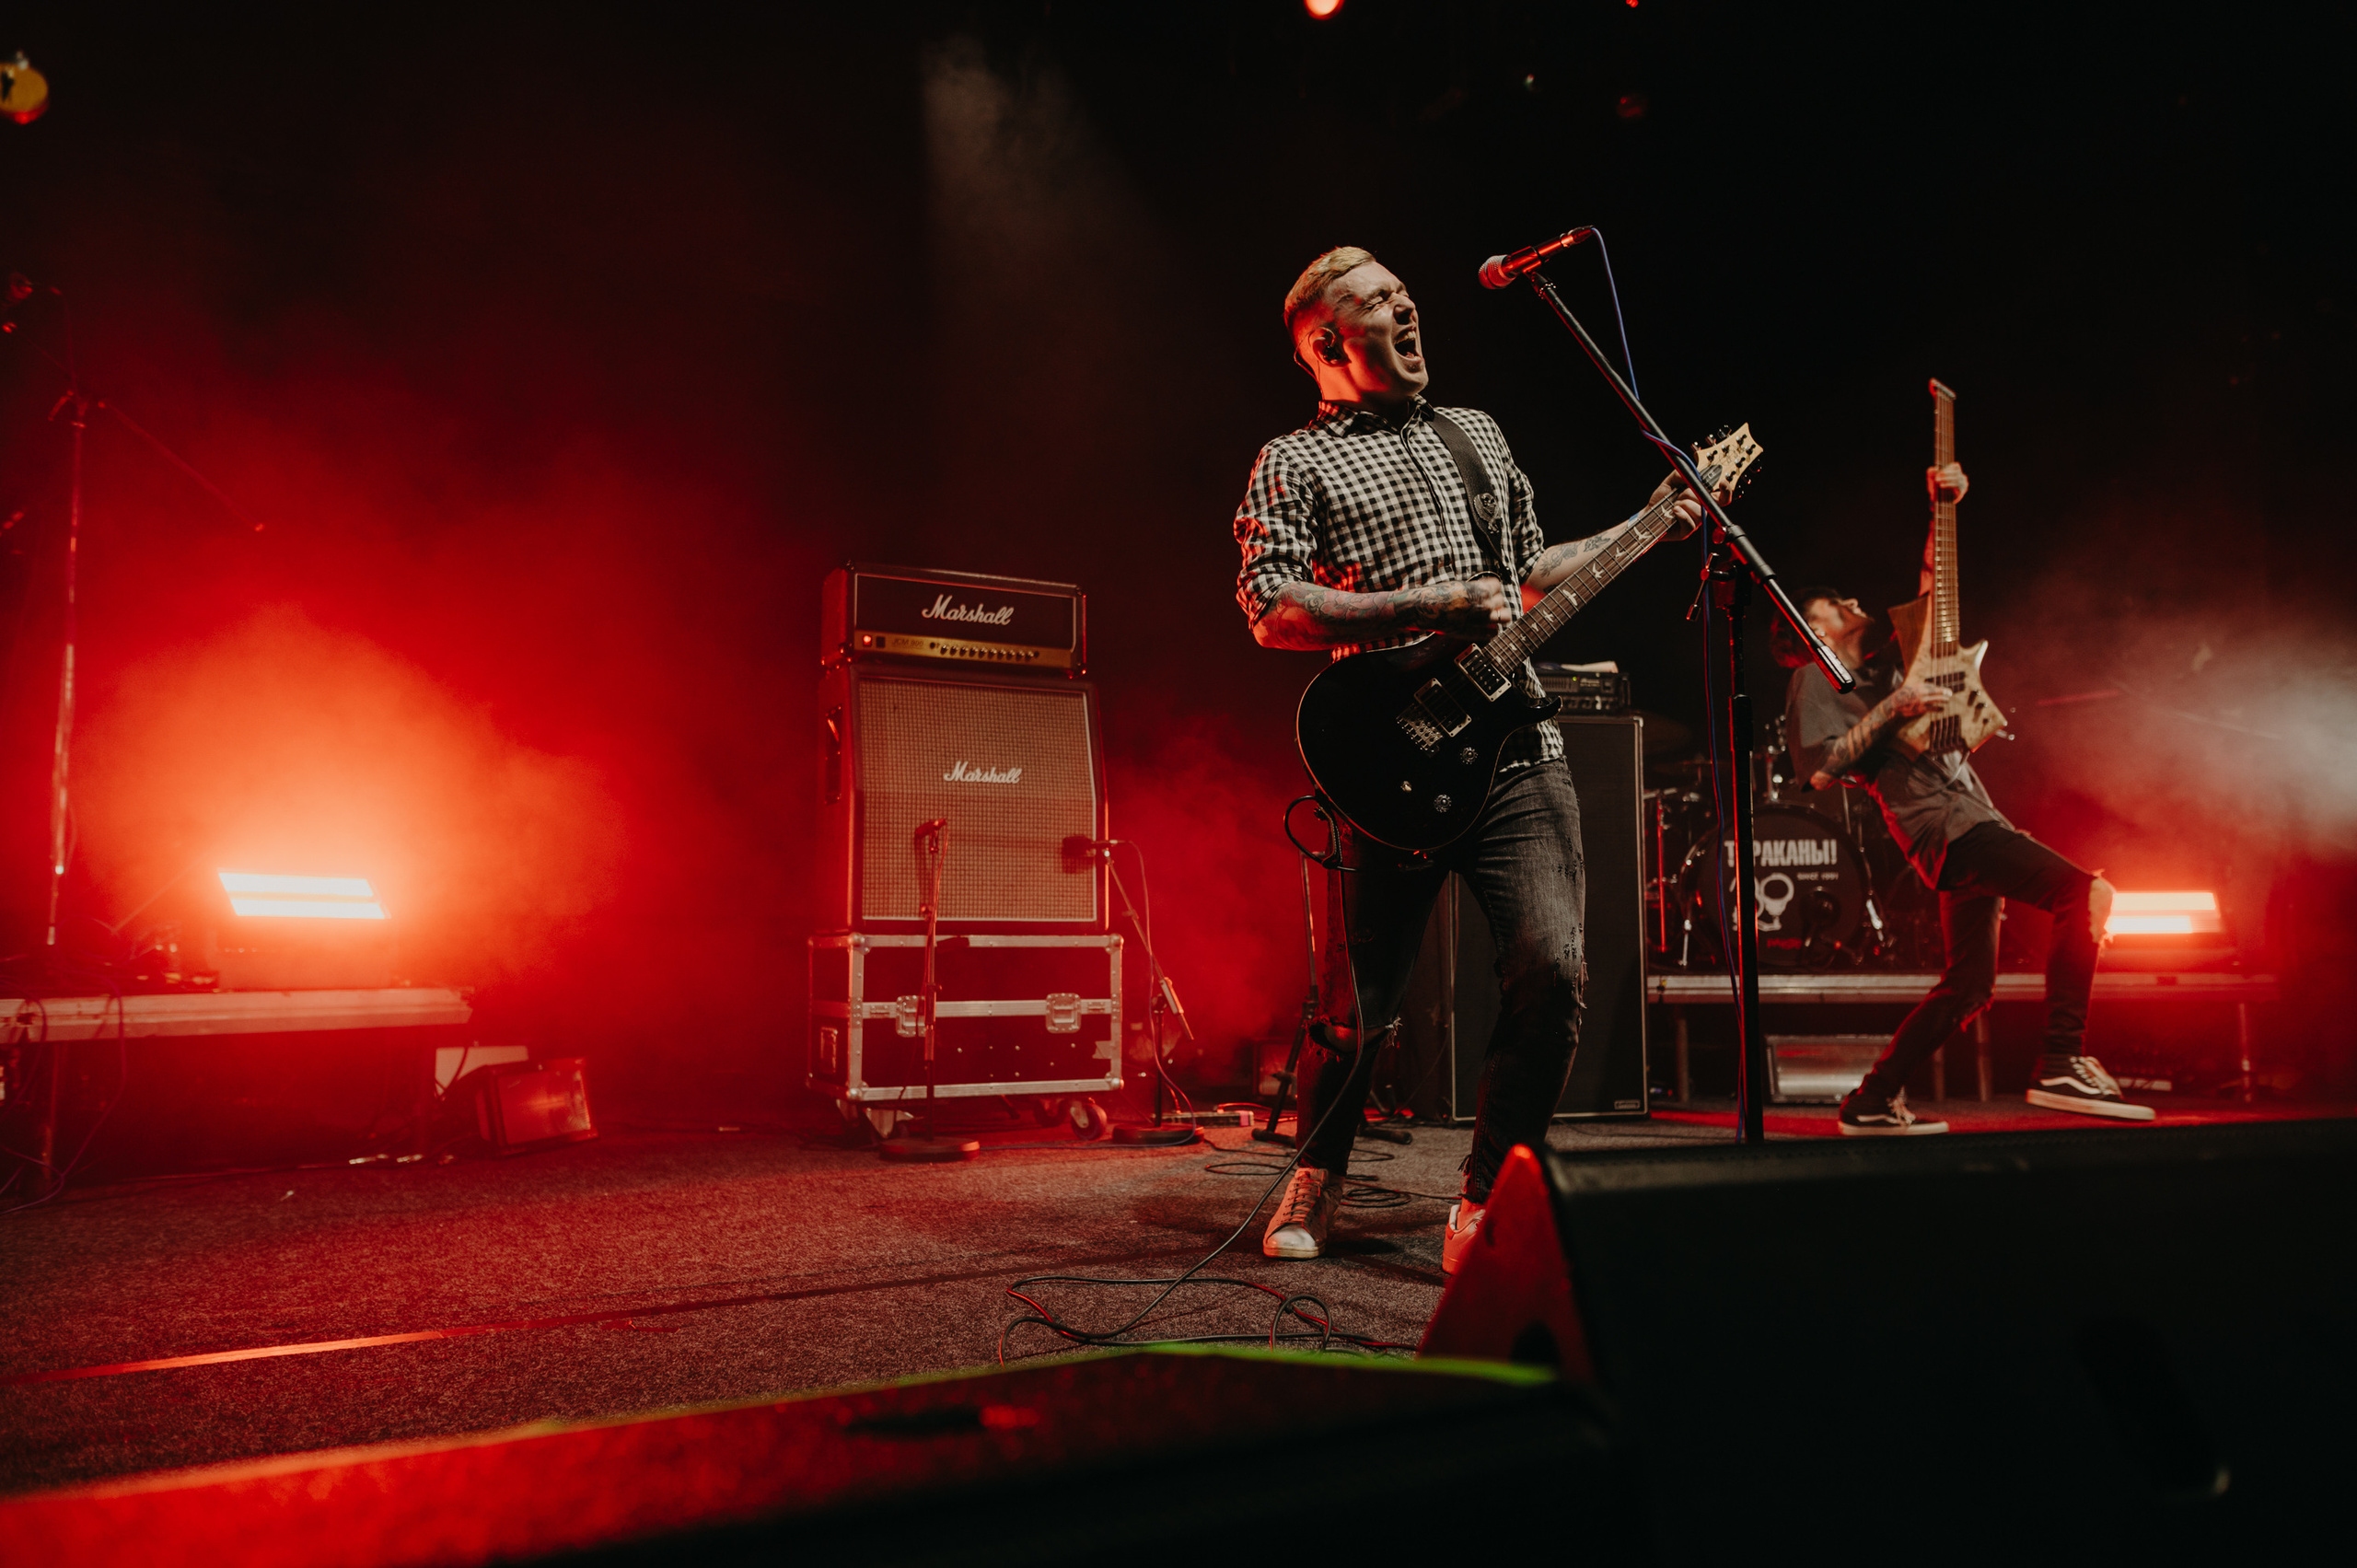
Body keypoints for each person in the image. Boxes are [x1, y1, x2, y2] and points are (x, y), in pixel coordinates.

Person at [1232, 245, 1701, 1271]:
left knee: (1553, 970)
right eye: (1379, 300)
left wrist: (1649, 525)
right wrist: (1426, 604)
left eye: (1404, 293)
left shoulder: (1474, 432)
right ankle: (1318, 1173)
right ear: (1327, 341)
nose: (1407, 307)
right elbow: (1270, 607)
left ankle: (1487, 1197)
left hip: (1518, 744)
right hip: (1388, 758)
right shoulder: (1293, 460)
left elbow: (1528, 573)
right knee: (1359, 1006)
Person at [1773, 462, 2148, 1133]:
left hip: (1964, 822)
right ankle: (2062, 1059)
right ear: (1814, 631)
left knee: (1970, 987)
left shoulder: (1886, 668)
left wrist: (1941, 510)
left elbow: (1934, 596)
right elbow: (1822, 770)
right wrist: (1896, 707)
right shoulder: (1815, 682)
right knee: (2085, 893)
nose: (1852, 599)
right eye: (1834, 601)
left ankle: (1871, 1099)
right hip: (1944, 826)